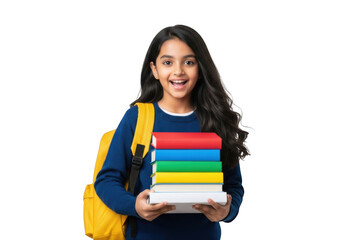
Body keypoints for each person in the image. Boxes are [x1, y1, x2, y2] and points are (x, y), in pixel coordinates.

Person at [94, 25, 249, 240]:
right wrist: (135, 206)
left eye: (189, 62)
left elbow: (233, 186)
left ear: (200, 68)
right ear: (154, 69)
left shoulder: (217, 120)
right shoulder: (137, 118)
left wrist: (227, 211)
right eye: (167, 62)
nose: (178, 71)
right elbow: (107, 180)